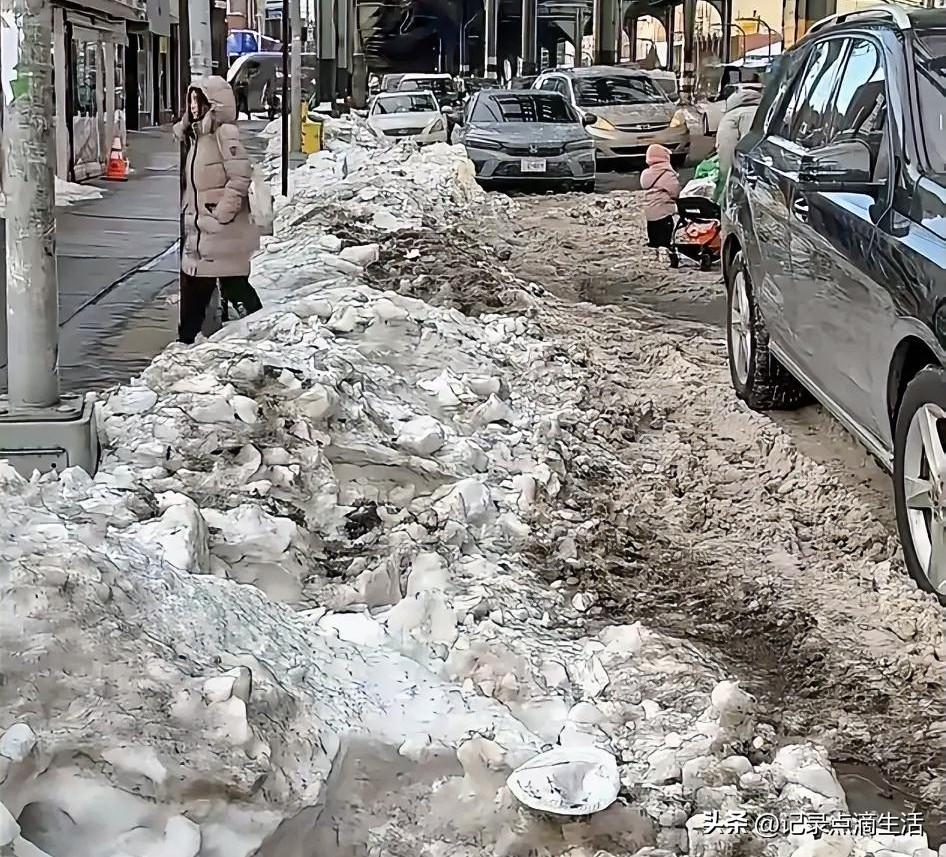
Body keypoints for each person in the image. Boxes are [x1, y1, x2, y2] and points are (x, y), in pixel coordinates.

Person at [173, 76, 263, 344]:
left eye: (197, 101)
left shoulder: (225, 134)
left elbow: (240, 177)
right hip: (202, 230)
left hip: (221, 230)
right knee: (197, 284)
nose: (192, 107)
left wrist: (222, 212)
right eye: (190, 100)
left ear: (213, 104)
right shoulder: (198, 137)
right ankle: (186, 340)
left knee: (228, 284)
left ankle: (258, 330)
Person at [715, 87, 763, 199]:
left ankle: (728, 200)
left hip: (731, 134)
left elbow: (726, 148)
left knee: (728, 173)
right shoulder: (760, 112)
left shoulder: (730, 114)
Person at [640, 144, 681, 269]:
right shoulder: (667, 174)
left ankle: (655, 257)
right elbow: (674, 190)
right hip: (663, 212)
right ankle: (665, 257)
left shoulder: (646, 174)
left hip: (650, 213)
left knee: (654, 238)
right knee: (665, 238)